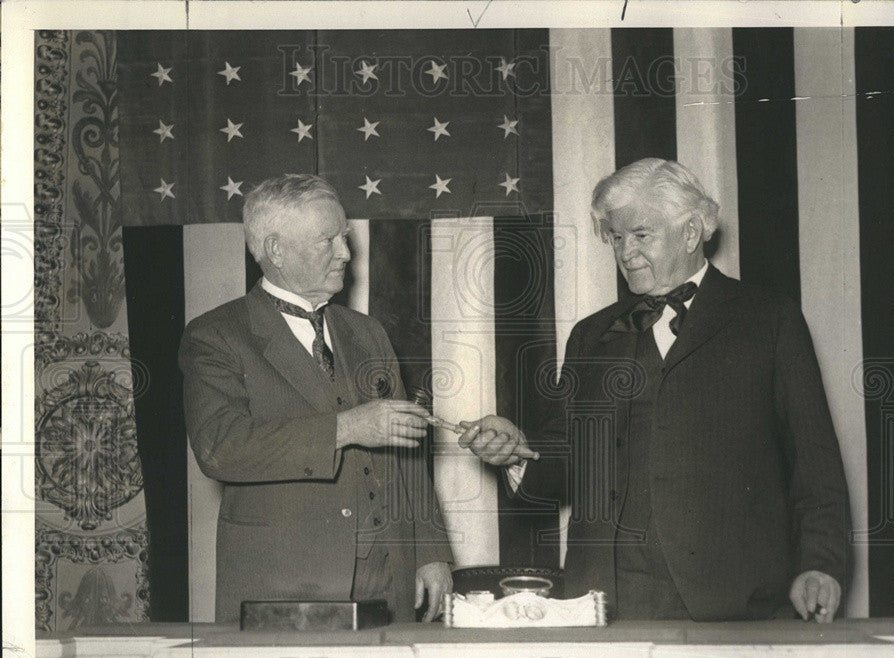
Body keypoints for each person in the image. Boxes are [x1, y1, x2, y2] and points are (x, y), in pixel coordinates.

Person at [459, 158, 851, 623]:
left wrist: (820, 564)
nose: (625, 252)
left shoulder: (769, 320)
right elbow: (568, 462)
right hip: (603, 600)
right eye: (617, 238)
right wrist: (517, 452)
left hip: (732, 603)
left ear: (690, 233)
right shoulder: (591, 334)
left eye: (641, 235)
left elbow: (815, 462)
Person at [179, 174, 453, 624]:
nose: (346, 253)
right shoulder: (216, 336)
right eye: (328, 241)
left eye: (343, 238)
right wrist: (347, 427)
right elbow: (220, 448)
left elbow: (408, 454)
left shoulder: (368, 332)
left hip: (390, 574)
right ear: (276, 250)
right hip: (285, 581)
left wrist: (431, 551)